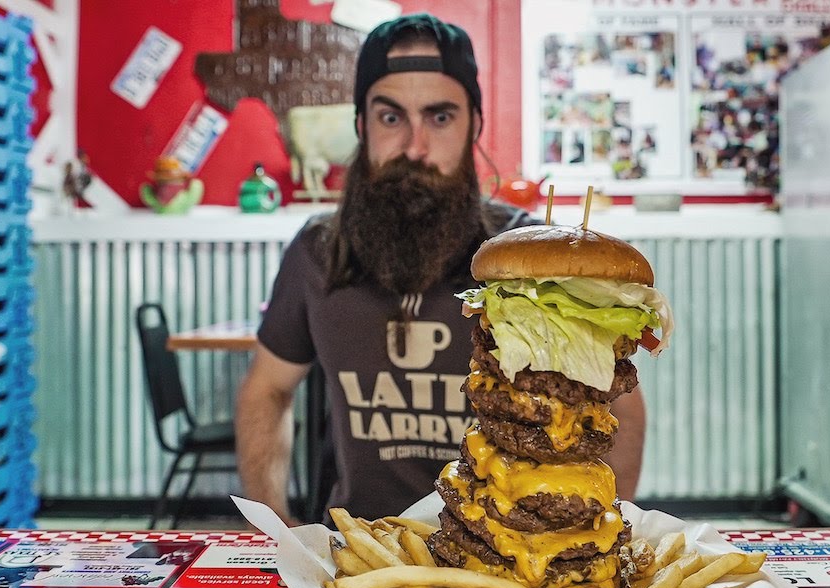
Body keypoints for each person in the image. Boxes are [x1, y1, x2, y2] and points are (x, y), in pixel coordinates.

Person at [236, 13, 646, 525]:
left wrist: (589, 535)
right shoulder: (316, 251)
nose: (415, 146)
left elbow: (621, 412)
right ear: (361, 125)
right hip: (357, 552)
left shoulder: (526, 262)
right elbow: (268, 389)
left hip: (505, 555)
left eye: (440, 117)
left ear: (474, 123)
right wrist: (274, 522)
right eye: (391, 118)